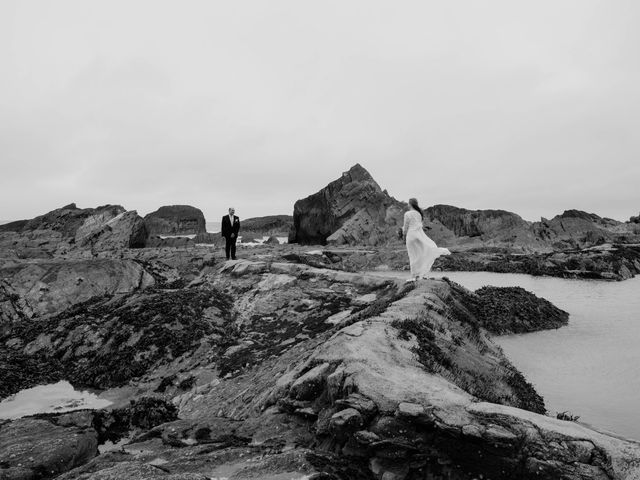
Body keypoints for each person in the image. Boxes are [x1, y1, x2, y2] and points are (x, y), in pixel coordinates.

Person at [402, 198, 450, 281]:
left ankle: (414, 276)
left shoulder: (407, 214)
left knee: (412, 255)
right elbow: (419, 226)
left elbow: (405, 227)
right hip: (417, 235)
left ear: (410, 204)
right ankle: (420, 274)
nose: (407, 205)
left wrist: (403, 235)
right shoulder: (419, 214)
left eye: (408, 203)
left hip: (410, 236)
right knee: (420, 254)